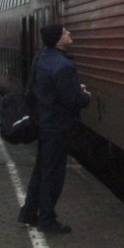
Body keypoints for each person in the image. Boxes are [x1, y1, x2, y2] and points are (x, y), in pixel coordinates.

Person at [18, 24, 90, 235]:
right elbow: (72, 100)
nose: (69, 33)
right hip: (58, 126)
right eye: (65, 32)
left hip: (44, 122)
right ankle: (47, 219)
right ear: (58, 39)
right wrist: (84, 95)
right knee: (53, 175)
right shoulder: (63, 66)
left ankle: (29, 212)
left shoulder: (41, 58)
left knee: (41, 170)